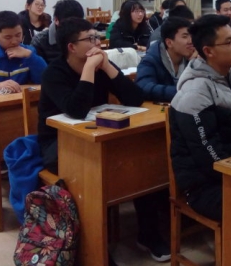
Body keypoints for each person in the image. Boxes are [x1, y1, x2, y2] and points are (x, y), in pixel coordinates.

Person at [37, 18, 169, 261]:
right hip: (60, 145)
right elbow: (76, 109)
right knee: (96, 174)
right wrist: (89, 69)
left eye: (97, 38)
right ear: (71, 47)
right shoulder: (54, 73)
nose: (97, 43)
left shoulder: (101, 65)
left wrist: (107, 66)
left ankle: (148, 234)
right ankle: (95, 250)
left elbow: (135, 98)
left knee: (141, 163)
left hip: (98, 137)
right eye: (90, 39)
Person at [169, 15, 231, 221]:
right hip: (206, 185)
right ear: (208, 51)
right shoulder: (195, 93)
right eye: (229, 42)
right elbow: (209, 157)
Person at [136, 17, 194, 102]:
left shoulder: (194, 57)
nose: (191, 41)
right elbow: (144, 87)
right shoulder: (151, 59)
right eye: (185, 37)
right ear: (169, 43)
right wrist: (183, 92)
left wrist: (197, 63)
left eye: (192, 36)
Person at [31, 0, 85, 64]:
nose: (74, 27)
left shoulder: (86, 37)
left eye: (78, 23)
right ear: (56, 20)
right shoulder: (40, 41)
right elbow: (39, 68)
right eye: (69, 23)